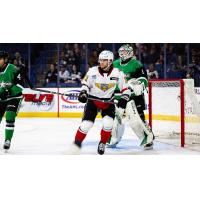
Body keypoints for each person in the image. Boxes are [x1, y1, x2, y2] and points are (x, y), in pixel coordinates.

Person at [70, 50, 131, 155]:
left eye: (104, 60)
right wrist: (84, 93)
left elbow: (126, 89)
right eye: (100, 60)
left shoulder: (118, 73)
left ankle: (102, 142)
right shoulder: (92, 71)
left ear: (110, 61)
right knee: (86, 125)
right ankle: (76, 144)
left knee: (108, 124)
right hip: (93, 101)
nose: (101, 62)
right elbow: (85, 85)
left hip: (108, 103)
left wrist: (124, 99)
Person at [108, 44, 154, 150]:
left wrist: (139, 85)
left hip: (133, 97)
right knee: (115, 119)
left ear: (130, 53)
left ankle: (148, 139)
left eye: (125, 52)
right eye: (121, 52)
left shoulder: (136, 64)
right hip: (118, 97)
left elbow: (143, 79)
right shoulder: (114, 64)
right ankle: (113, 138)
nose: (122, 54)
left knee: (136, 120)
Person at [0, 51, 31, 151]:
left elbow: (20, 86)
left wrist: (9, 90)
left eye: (0, 58)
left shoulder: (13, 69)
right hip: (2, 98)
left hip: (14, 98)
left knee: (9, 115)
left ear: (5, 59)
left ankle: (7, 140)